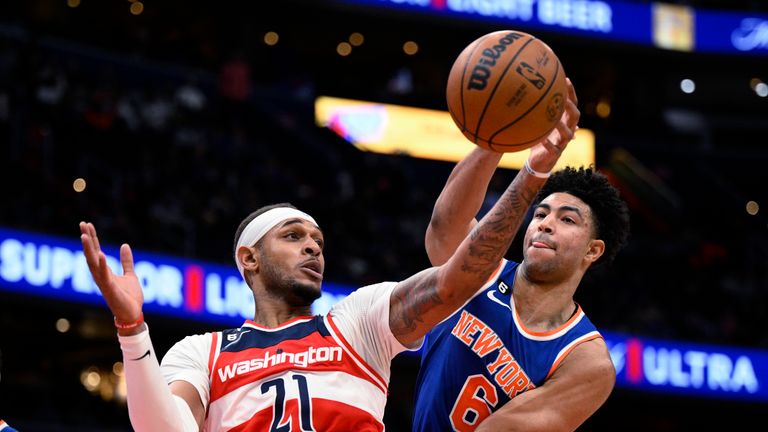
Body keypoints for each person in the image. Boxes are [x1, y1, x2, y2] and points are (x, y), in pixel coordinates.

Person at [77, 107, 580, 432]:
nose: (313, 249)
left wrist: (531, 172)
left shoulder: (356, 323)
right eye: (293, 237)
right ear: (248, 259)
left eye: (318, 241)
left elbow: (457, 281)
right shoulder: (202, 351)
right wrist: (132, 330)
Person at [412, 79, 630, 431]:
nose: (545, 224)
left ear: (593, 250)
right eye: (541, 214)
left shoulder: (585, 360)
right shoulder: (482, 273)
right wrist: (499, 139)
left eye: (567, 219)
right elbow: (444, 228)